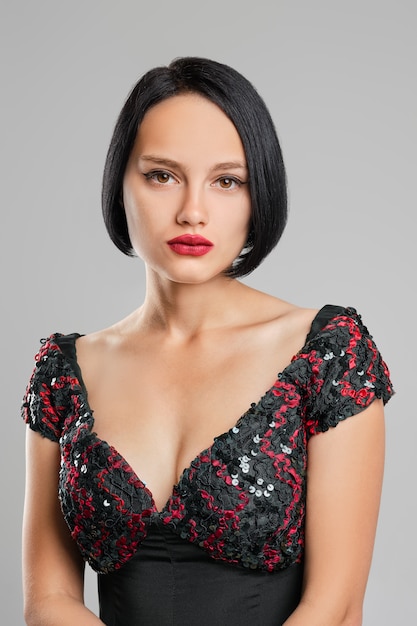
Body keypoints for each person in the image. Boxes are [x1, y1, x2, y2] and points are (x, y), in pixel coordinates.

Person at [21, 57, 394, 626]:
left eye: (228, 180)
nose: (192, 210)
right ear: (119, 183)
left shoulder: (327, 355)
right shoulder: (63, 373)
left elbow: (336, 609)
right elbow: (48, 600)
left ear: (258, 194)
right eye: (161, 175)